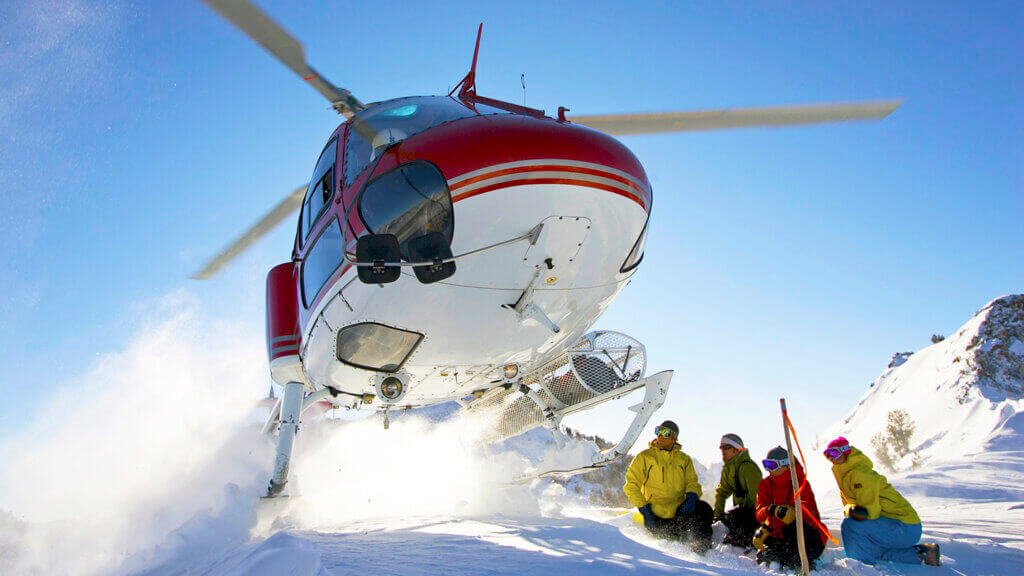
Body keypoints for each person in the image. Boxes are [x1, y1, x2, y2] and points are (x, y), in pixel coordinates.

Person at [824, 437, 941, 566]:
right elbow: (853, 509)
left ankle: (860, 569)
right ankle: (923, 554)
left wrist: (852, 512)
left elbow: (868, 513)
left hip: (904, 527)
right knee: (871, 550)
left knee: (850, 525)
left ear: (845, 451)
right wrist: (851, 510)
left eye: (834, 453)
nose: (832, 459)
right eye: (828, 455)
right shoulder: (846, 476)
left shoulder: (860, 474)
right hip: (899, 527)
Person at [623, 420, 714, 553]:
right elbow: (631, 485)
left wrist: (691, 497)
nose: (660, 436)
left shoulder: (684, 460)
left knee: (704, 509)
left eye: (665, 433)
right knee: (665, 542)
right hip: (654, 513)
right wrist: (644, 508)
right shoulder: (645, 457)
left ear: (674, 438)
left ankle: (701, 550)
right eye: (658, 431)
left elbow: (692, 483)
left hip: (679, 512)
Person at [752, 446, 827, 569]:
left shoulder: (799, 482)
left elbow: (807, 510)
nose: (768, 469)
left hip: (807, 536)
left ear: (785, 465)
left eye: (772, 465)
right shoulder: (765, 485)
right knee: (766, 547)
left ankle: (803, 562)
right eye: (766, 465)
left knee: (792, 528)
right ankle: (779, 557)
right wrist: (770, 511)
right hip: (780, 534)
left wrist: (790, 512)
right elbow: (759, 513)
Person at [713, 433, 763, 548]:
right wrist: (718, 516)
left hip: (754, 514)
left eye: (726, 448)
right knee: (731, 516)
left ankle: (744, 542)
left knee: (737, 516)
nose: (723, 451)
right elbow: (722, 492)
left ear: (736, 450)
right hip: (740, 513)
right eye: (722, 448)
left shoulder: (748, 467)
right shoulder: (729, 468)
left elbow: (758, 496)